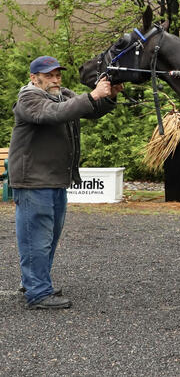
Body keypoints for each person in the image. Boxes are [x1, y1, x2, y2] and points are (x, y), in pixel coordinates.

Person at [9, 55, 123, 309]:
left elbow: (89, 110)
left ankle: (35, 282)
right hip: (33, 181)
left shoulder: (63, 95)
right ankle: (37, 293)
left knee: (47, 237)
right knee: (35, 238)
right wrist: (93, 94)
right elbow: (54, 114)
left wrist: (110, 95)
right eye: (49, 75)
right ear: (34, 78)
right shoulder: (28, 98)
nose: (55, 79)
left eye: (58, 74)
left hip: (54, 180)